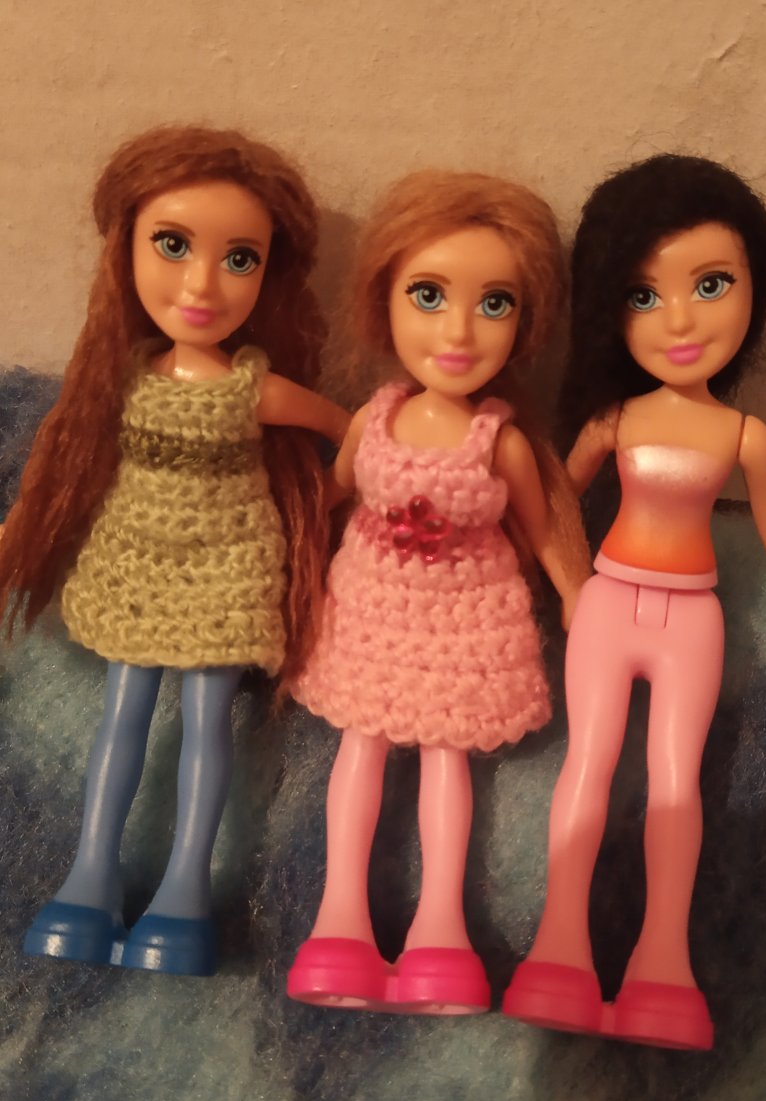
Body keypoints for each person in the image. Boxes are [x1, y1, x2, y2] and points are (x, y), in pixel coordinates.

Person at [503, 153, 766, 1048]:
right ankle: (559, 948)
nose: (682, 319)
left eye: (711, 284)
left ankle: (662, 961)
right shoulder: (614, 421)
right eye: (644, 295)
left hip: (692, 615)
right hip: (609, 603)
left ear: (754, 289)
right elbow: (552, 501)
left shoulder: (746, 434)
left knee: (674, 784)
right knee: (587, 765)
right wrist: (558, 580)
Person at [0, 125, 349, 976]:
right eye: (172, 245)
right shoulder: (118, 381)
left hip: (229, 567)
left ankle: (184, 892)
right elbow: (60, 472)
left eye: (240, 258)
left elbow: (351, 430)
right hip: (133, 564)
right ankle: (89, 876)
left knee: (205, 727)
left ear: (268, 273)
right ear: (125, 247)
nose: (201, 284)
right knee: (121, 720)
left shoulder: (252, 388)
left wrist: (344, 496)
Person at [287, 169, 590, 1014]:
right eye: (428, 295)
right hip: (370, 612)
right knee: (359, 753)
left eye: (494, 303)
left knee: (446, 766)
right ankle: (339, 920)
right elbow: (331, 492)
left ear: (525, 324)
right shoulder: (374, 419)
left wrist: (577, 591)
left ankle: (441, 930)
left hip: (465, 624)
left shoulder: (501, 442)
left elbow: (542, 530)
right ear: (382, 299)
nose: (458, 330)